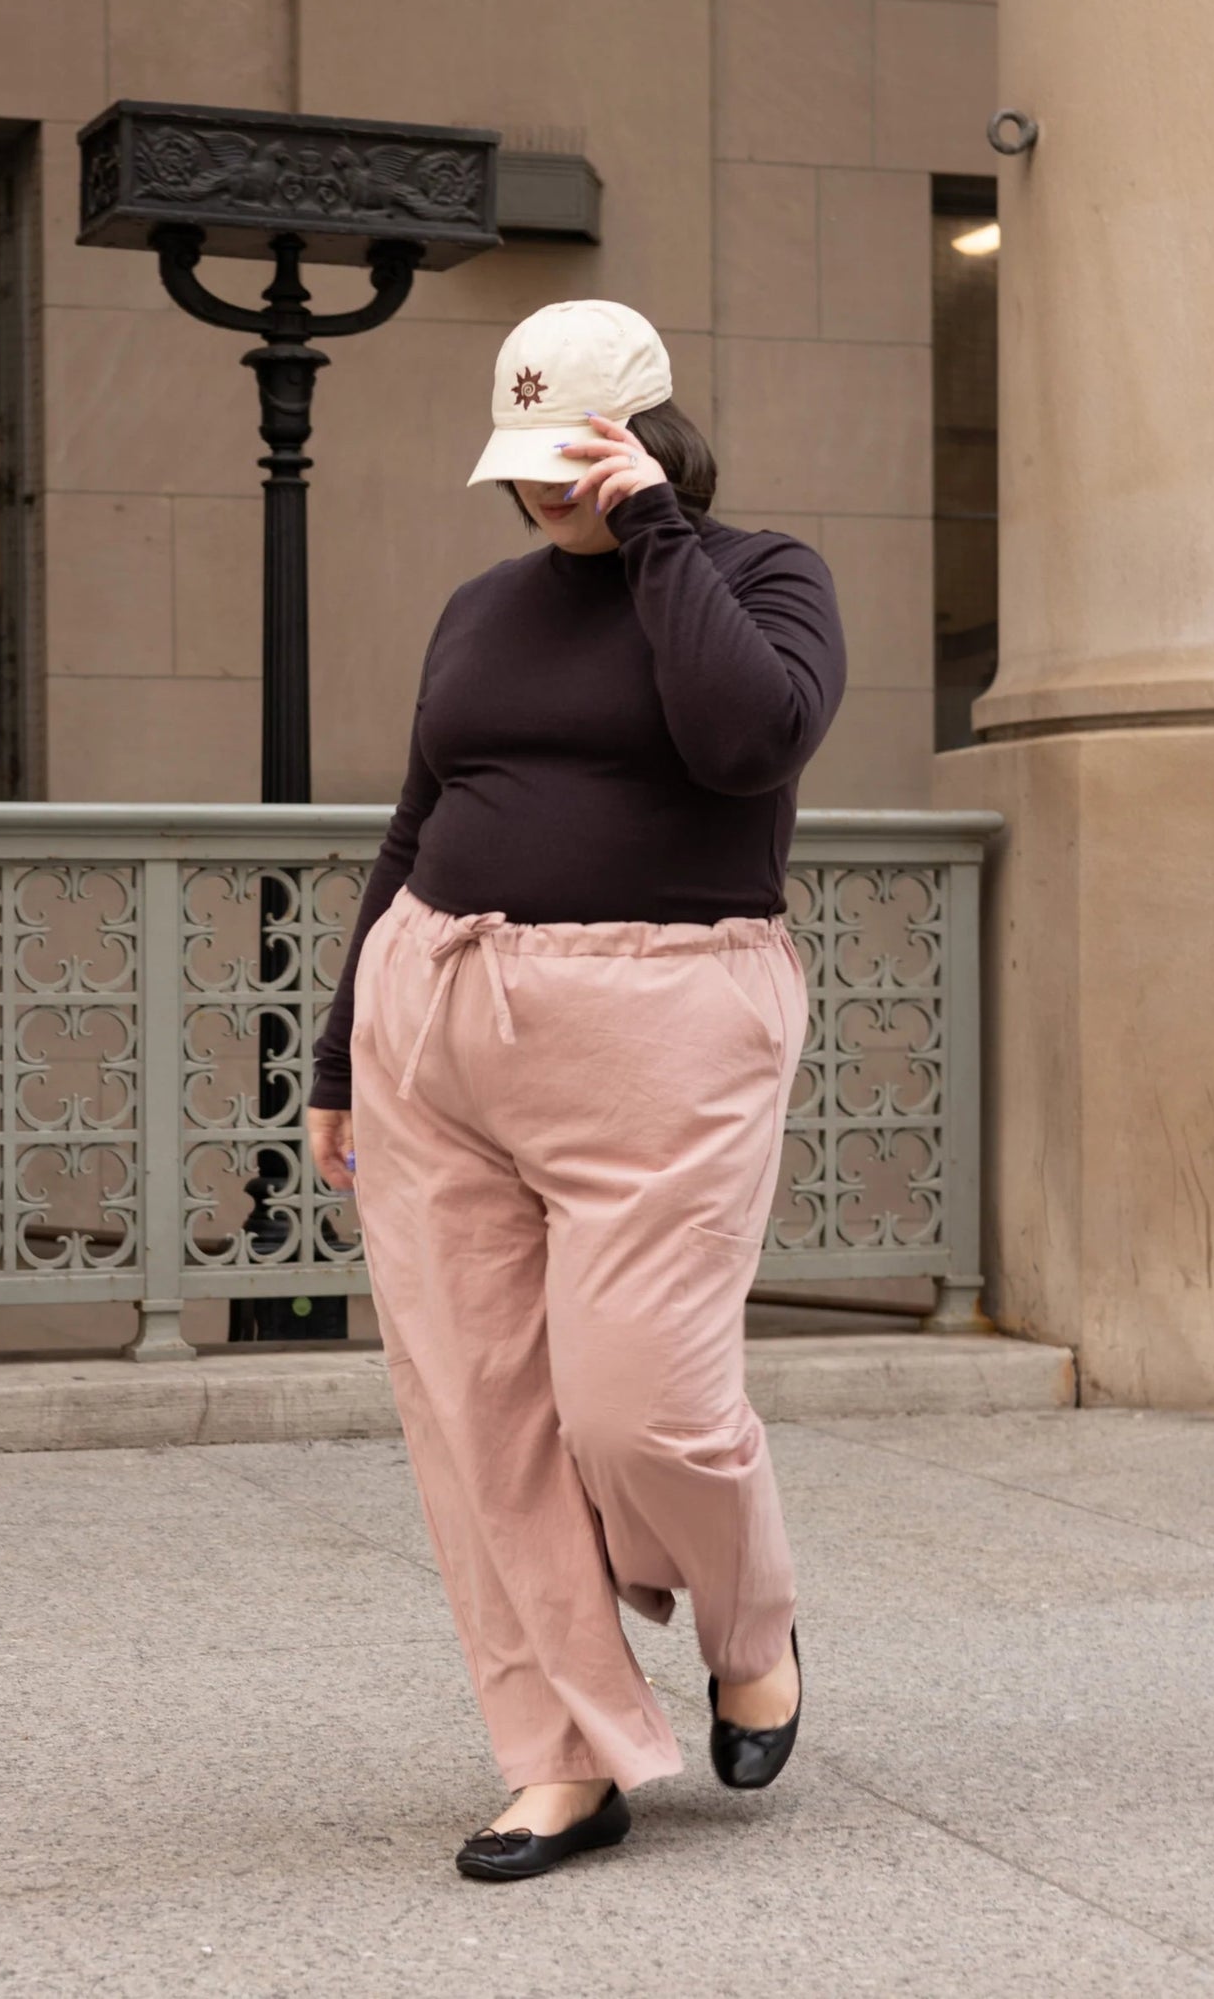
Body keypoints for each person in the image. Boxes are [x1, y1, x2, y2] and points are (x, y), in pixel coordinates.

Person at [306, 299, 846, 1881]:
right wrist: (344, 1048)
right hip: (438, 1016)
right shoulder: (480, 608)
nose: (543, 486)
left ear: (647, 430)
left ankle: (752, 1630)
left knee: (640, 1408)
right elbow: (414, 825)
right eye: (524, 459)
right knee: (478, 1419)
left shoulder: (756, 576)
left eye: (574, 453)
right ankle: (560, 1761)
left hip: (662, 1026)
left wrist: (652, 532)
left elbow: (749, 742)